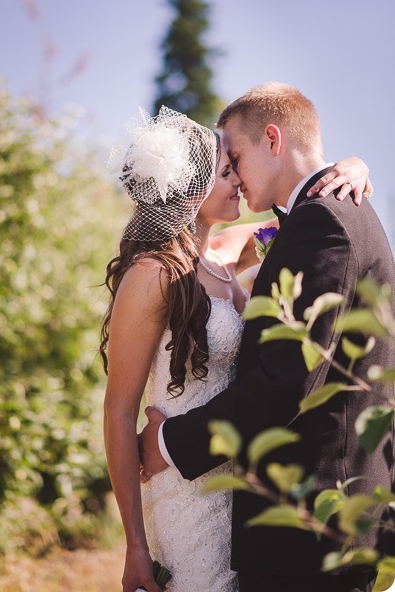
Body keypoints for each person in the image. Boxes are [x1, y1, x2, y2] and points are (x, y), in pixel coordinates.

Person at [101, 104, 373, 592]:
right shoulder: (153, 275)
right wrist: (135, 545)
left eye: (235, 167)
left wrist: (352, 168)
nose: (238, 182)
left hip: (243, 482)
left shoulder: (228, 251)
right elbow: (119, 412)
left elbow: (311, 213)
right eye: (226, 172)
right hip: (187, 487)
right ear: (191, 190)